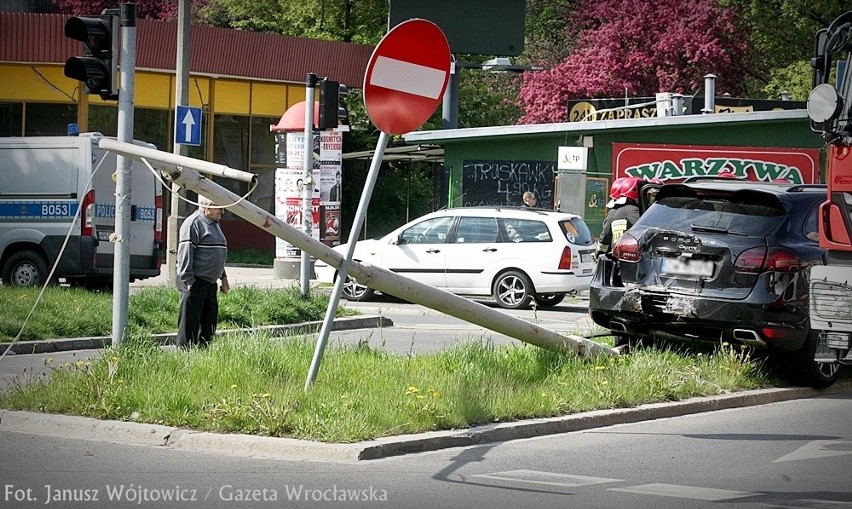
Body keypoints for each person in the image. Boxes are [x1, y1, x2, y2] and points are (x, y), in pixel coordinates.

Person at [176, 195, 230, 349]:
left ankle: (203, 354)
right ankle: (184, 355)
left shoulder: (214, 223)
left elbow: (216, 253)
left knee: (208, 323)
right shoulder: (193, 224)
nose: (222, 211)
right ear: (207, 208)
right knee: (190, 324)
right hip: (195, 281)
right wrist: (189, 281)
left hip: (210, 283)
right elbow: (185, 254)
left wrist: (223, 278)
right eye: (219, 207)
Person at [596, 176, 642, 258]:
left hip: (617, 256)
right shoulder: (633, 212)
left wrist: (599, 255)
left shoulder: (616, 213)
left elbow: (604, 239)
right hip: (629, 257)